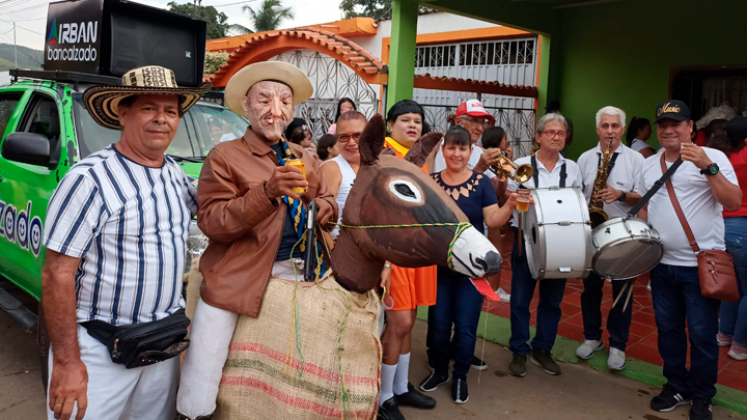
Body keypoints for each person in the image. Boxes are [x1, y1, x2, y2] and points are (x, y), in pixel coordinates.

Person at [42, 65, 210, 420]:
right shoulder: (89, 179)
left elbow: (221, 215)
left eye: (170, 111)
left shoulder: (176, 175)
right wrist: (68, 363)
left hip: (160, 349)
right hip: (98, 350)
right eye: (148, 108)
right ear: (123, 112)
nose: (161, 119)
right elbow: (56, 275)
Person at [176, 61, 337, 419]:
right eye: (263, 100)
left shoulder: (304, 158)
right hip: (237, 274)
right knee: (204, 366)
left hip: (301, 270)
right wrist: (266, 193)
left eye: (284, 101)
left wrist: (323, 208)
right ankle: (192, 413)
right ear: (246, 107)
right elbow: (213, 221)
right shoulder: (225, 156)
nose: (274, 110)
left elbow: (326, 199)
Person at [637, 100, 741, 420]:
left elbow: (734, 202)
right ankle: (676, 385)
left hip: (699, 266)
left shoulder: (715, 158)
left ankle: (702, 394)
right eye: (663, 125)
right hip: (662, 265)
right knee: (668, 330)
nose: (669, 130)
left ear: (690, 127)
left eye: (676, 124)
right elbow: (646, 207)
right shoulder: (649, 164)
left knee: (701, 333)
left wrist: (707, 166)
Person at [419, 126, 522, 404]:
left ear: (470, 151)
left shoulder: (482, 183)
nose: (456, 153)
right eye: (451, 147)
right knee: (439, 325)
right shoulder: (430, 182)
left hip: (472, 271)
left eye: (462, 148)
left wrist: (511, 204)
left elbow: (491, 221)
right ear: (443, 151)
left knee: (465, 327)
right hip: (439, 267)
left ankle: (461, 376)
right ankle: (440, 371)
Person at [505, 112, 583, 378]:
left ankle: (542, 348)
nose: (556, 137)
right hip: (524, 239)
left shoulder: (571, 168)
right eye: (550, 132)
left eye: (561, 133)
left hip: (560, 242)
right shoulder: (521, 164)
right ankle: (518, 349)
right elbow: (506, 192)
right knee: (520, 299)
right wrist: (516, 195)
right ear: (538, 137)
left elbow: (577, 200)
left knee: (552, 301)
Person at [378, 99, 438, 420]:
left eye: (417, 120)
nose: (413, 125)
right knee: (398, 322)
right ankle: (384, 395)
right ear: (390, 125)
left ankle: (400, 386)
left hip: (420, 251)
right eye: (406, 120)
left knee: (410, 321)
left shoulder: (418, 158)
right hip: (396, 251)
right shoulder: (384, 155)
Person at [575, 106, 644, 370]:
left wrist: (621, 194)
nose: (610, 131)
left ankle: (618, 344)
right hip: (592, 233)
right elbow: (577, 193)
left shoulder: (637, 160)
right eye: (605, 126)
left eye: (615, 126)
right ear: (597, 130)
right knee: (590, 289)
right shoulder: (584, 158)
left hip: (624, 234)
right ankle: (592, 337)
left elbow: (645, 194)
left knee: (621, 292)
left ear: (623, 129)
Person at [711, 117, 747, 361]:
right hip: (742, 228)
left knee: (732, 287)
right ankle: (740, 345)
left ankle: (724, 334)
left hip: (720, 226)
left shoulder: (719, 160)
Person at [480, 126, 513, 302]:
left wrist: (509, 160)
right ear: (499, 141)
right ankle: (493, 289)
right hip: (488, 211)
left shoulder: (501, 159)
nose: (507, 141)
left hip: (491, 211)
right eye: (505, 138)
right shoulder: (487, 159)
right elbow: (500, 189)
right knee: (495, 253)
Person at [433, 99, 499, 179]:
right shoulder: (446, 146)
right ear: (458, 122)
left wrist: (501, 175)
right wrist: (480, 168)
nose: (480, 129)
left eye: (483, 123)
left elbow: (495, 185)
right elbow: (447, 186)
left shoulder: (477, 150)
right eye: (475, 121)